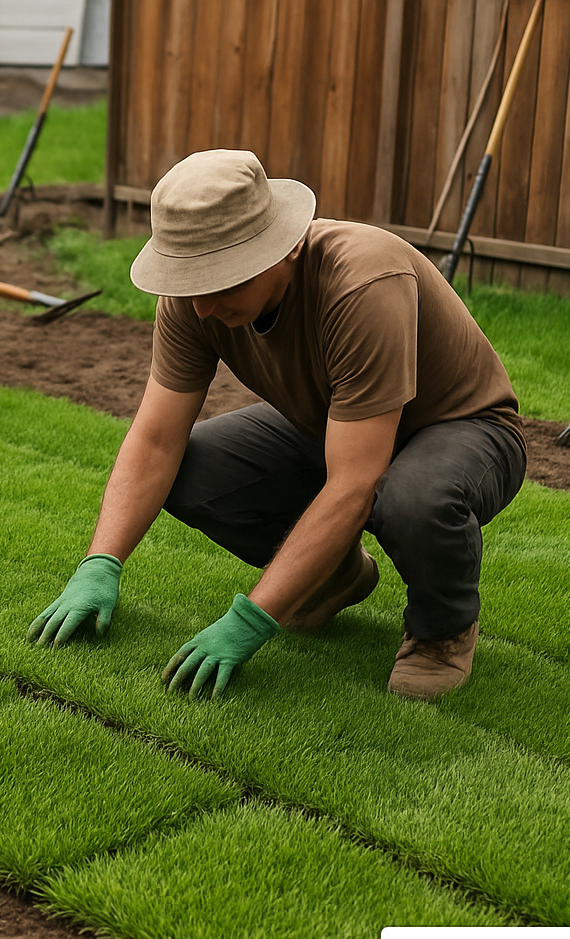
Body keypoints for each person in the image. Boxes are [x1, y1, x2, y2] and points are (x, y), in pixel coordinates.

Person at [28, 149, 525, 700]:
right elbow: (155, 439)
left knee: (411, 498)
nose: (203, 308)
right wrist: (101, 563)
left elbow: (357, 480)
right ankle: (334, 576)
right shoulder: (194, 303)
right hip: (328, 420)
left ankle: (441, 630)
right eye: (191, 281)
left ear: (284, 249)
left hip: (462, 429)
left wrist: (252, 618)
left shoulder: (362, 282)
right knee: (191, 471)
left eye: (222, 281)